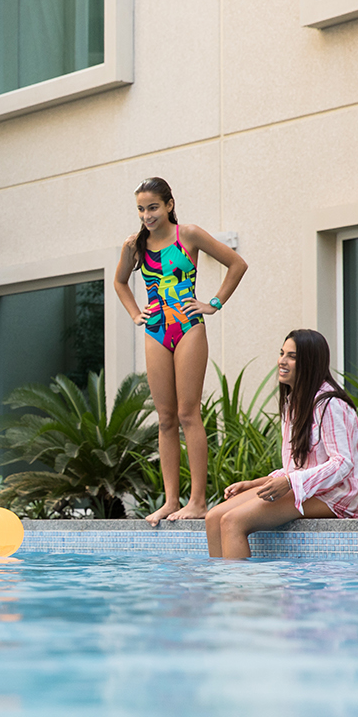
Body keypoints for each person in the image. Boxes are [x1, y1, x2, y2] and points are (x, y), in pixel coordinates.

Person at [113, 177, 247, 525]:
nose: (147, 216)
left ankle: (198, 501)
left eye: (153, 207)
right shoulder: (135, 246)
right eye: (141, 209)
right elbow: (120, 281)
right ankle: (171, 501)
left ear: (169, 205)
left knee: (189, 414)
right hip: (156, 330)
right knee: (166, 418)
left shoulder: (188, 235)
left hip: (187, 327)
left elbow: (237, 264)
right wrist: (134, 312)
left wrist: (213, 303)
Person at [204, 329, 358, 559]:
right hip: (307, 489)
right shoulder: (294, 403)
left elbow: (342, 464)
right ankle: (222, 590)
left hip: (334, 497)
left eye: (292, 356)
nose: (282, 361)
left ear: (309, 362)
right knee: (214, 518)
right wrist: (256, 483)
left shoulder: (330, 404)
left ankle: (238, 594)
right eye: (282, 353)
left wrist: (290, 482)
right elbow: (298, 468)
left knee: (233, 522)